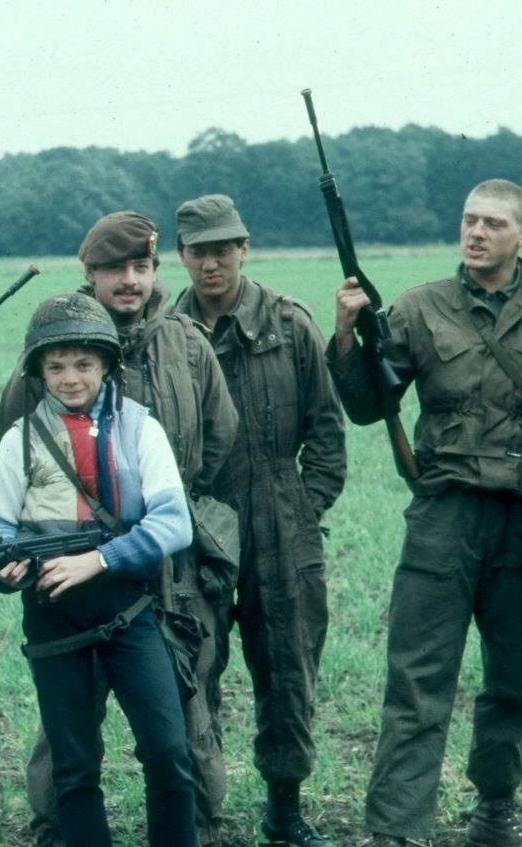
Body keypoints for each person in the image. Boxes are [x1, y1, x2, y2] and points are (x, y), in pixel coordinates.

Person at [329, 180, 522, 847]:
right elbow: (369, 406)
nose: (477, 233)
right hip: (444, 516)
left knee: (516, 680)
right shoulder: (419, 307)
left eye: (493, 223)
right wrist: (348, 336)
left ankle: (495, 811)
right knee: (417, 680)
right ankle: (397, 830)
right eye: (469, 220)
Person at [0, 211, 239, 846]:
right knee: (69, 736)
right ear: (90, 273)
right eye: (112, 268)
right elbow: (15, 460)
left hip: (166, 571)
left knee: (179, 719)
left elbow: (218, 441)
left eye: (140, 266)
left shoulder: (185, 344)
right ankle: (58, 830)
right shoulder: (46, 351)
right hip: (64, 586)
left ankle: (196, 829)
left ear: (156, 269)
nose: (128, 280)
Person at [0, 292, 197, 847]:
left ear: (105, 365)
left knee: (168, 752)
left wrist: (98, 560)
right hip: (54, 618)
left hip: (131, 612)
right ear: (38, 372)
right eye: (56, 367)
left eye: (83, 363)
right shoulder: (19, 440)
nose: (70, 378)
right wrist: (8, 561)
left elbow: (175, 524)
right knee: (74, 767)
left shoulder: (141, 428)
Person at [170, 194, 347, 847]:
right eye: (198, 252)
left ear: (244, 249)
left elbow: (326, 431)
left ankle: (285, 810)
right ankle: (200, 816)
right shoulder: (167, 333)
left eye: (223, 249)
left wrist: (303, 508)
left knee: (288, 669)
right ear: (181, 256)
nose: (211, 263)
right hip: (199, 521)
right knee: (193, 671)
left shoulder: (289, 324)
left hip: (280, 517)